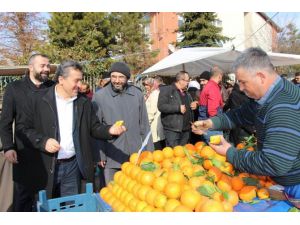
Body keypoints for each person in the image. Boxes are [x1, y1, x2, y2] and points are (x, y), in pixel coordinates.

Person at [192, 47, 300, 199]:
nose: (240, 89)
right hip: (279, 180)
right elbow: (240, 115)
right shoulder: (267, 96)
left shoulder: (282, 106)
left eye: (243, 82)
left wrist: (230, 153)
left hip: (295, 185)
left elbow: (274, 163)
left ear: (261, 77)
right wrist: (210, 123)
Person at [18, 60, 126, 199]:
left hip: (73, 166)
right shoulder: (37, 99)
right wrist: (43, 141)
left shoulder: (83, 102)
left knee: (71, 207)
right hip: (46, 166)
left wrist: (109, 131)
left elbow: (94, 127)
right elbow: (23, 128)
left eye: (81, 80)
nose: (80, 85)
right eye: (76, 81)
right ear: (61, 79)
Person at [0, 54, 55, 211]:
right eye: (42, 65)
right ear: (30, 67)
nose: (46, 69)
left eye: (48, 65)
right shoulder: (14, 88)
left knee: (46, 198)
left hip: (48, 151)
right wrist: (8, 147)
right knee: (23, 198)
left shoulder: (53, 87)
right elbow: (5, 122)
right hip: (23, 152)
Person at [92, 62, 154, 184]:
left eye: (121, 77)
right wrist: (99, 154)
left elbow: (145, 125)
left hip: (135, 154)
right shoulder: (100, 96)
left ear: (127, 78)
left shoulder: (137, 94)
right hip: (112, 154)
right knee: (113, 192)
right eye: (113, 76)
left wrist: (149, 151)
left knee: (135, 191)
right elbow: (95, 127)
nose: (117, 80)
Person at [158, 71, 197, 147]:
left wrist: (195, 104)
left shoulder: (186, 92)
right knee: (173, 155)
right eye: (187, 80)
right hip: (173, 131)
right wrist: (178, 108)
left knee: (184, 155)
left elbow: (189, 106)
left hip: (186, 130)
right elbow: (161, 106)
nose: (188, 83)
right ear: (180, 80)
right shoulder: (167, 90)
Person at [198, 66, 224, 143]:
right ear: (220, 76)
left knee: (207, 151)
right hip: (212, 127)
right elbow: (212, 111)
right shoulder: (213, 88)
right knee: (215, 152)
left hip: (205, 125)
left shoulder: (208, 86)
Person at [143, 77, 165, 150]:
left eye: (147, 85)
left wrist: (147, 122)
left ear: (152, 85)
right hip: (152, 122)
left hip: (154, 123)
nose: (145, 87)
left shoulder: (155, 94)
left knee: (156, 144)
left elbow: (152, 110)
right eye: (144, 85)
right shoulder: (150, 93)